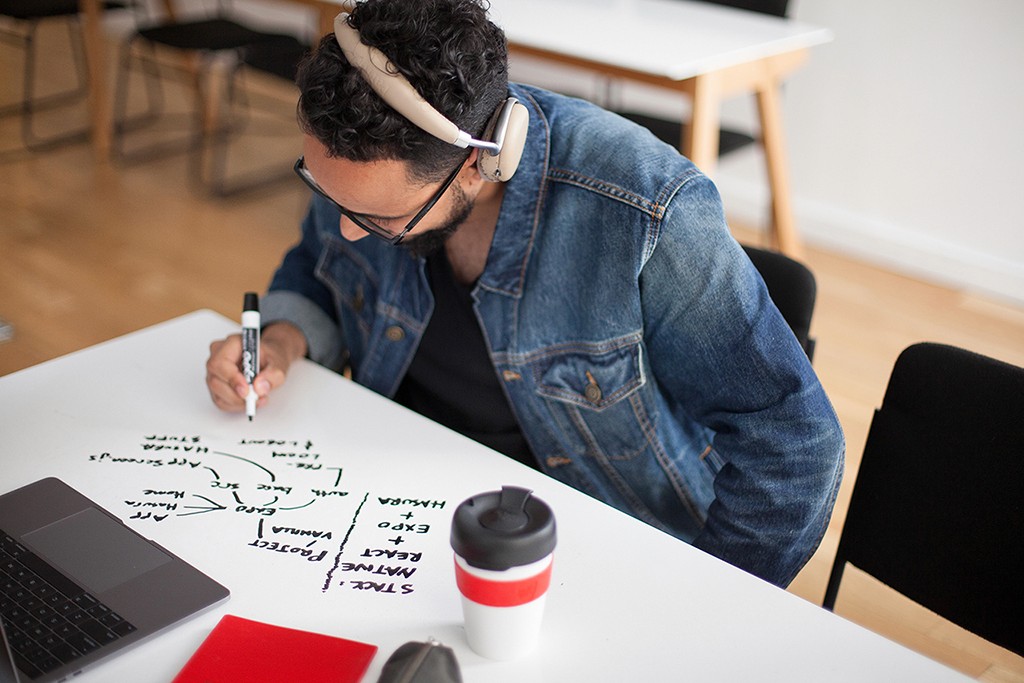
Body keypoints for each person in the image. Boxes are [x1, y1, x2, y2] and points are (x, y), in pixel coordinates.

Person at [205, 0, 844, 588]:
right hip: (399, 505)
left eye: (380, 219)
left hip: (598, 545)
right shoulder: (358, 165)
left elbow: (795, 446)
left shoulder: (645, 208)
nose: (348, 229)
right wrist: (282, 340)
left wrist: (706, 602)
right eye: (326, 192)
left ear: (482, 162)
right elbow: (317, 269)